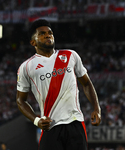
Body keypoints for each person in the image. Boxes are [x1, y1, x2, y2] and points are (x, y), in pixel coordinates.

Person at [16, 19, 101, 150]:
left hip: (75, 123)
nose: (47, 35)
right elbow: (20, 100)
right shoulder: (26, 67)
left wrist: (96, 108)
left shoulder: (70, 55)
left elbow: (87, 83)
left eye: (50, 32)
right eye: (42, 33)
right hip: (50, 126)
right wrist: (36, 120)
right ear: (33, 42)